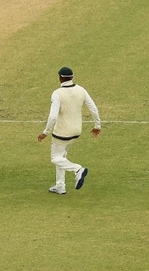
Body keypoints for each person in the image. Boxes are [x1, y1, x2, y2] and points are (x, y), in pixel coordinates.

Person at [37, 67, 101, 195]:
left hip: (61, 133)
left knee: (55, 158)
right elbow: (93, 108)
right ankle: (60, 186)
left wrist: (45, 132)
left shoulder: (57, 93)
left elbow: (53, 116)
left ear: (60, 77)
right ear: (72, 77)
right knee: (62, 157)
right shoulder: (81, 90)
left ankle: (77, 169)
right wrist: (97, 126)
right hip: (76, 131)